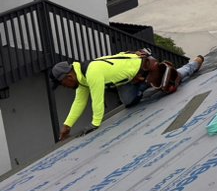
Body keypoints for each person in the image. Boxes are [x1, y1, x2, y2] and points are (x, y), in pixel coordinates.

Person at [50, 51, 204, 140]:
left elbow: (97, 99)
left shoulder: (91, 72)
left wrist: (95, 124)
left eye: (64, 84)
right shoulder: (81, 78)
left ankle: (194, 64)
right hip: (129, 79)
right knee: (128, 101)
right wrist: (67, 126)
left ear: (68, 77)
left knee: (174, 78)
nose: (66, 87)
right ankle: (145, 85)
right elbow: (79, 101)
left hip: (142, 69)